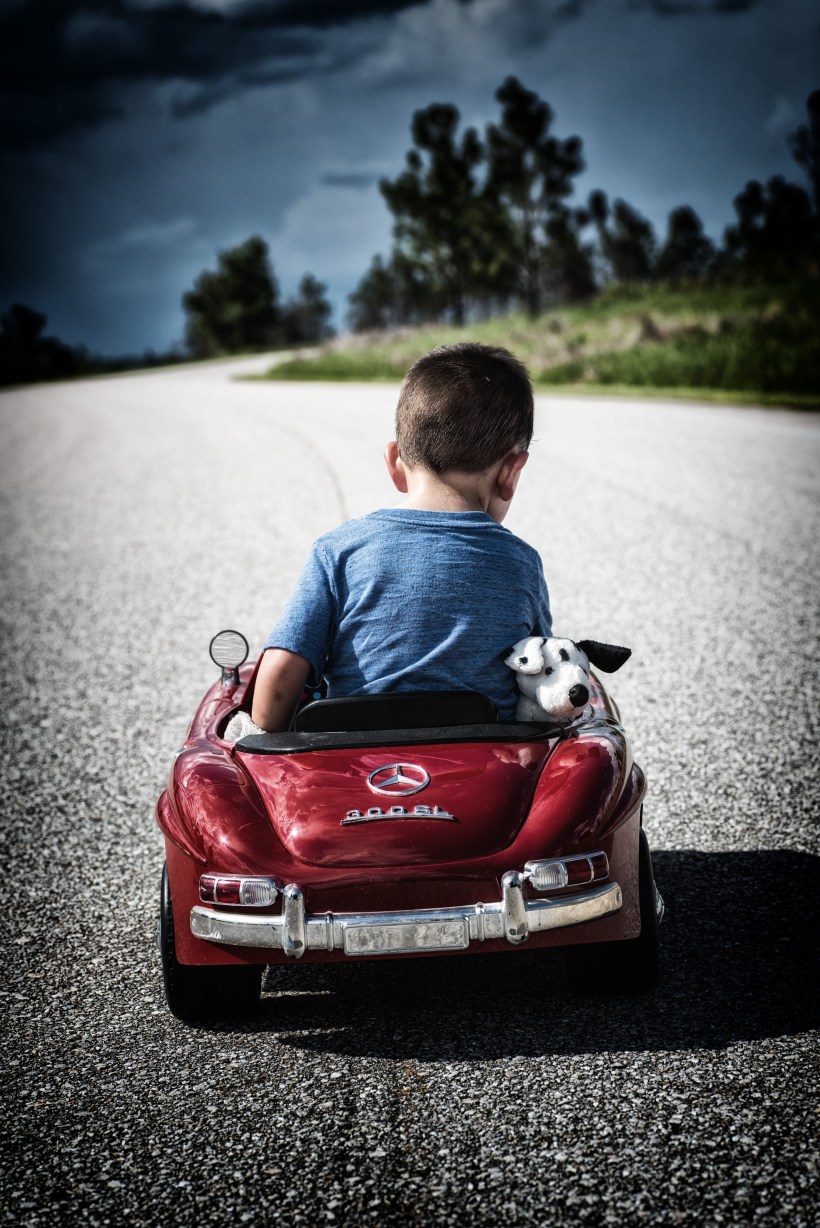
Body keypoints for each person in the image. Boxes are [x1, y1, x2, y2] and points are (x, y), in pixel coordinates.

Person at [251, 342, 552, 731]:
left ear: (395, 462)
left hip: (351, 764)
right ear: (511, 472)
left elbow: (280, 669)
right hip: (479, 765)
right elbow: (542, 670)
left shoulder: (338, 551)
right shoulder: (521, 563)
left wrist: (262, 741)